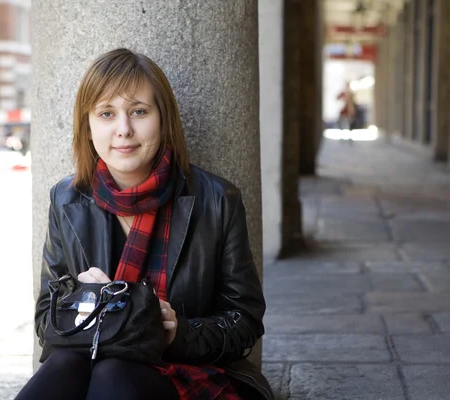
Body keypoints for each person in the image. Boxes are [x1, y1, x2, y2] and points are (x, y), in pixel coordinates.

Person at [15, 48, 273, 400]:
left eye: (138, 111)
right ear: (88, 128)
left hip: (185, 370)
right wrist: (82, 302)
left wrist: (176, 331)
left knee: (112, 372)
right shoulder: (67, 199)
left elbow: (244, 321)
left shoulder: (217, 200)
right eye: (106, 113)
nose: (124, 130)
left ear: (163, 119)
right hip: (91, 360)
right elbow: (46, 321)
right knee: (63, 366)